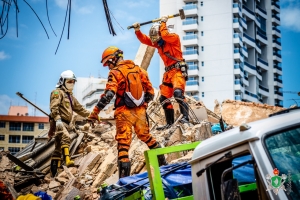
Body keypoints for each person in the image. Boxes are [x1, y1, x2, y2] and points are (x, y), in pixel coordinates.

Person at [89, 46, 167, 178]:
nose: (108, 66)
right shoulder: (139, 70)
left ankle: (124, 183)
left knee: (123, 147)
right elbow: (150, 92)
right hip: (140, 113)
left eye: (108, 63)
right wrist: (142, 106)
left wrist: (95, 112)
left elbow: (109, 95)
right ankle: (165, 167)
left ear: (113, 59)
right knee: (147, 138)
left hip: (124, 113)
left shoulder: (115, 73)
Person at [132, 16, 190, 130]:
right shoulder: (159, 44)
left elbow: (165, 35)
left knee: (178, 94)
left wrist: (163, 22)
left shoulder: (174, 38)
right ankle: (169, 123)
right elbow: (145, 40)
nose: (155, 41)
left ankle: (186, 118)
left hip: (178, 71)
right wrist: (137, 31)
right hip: (168, 73)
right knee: (164, 99)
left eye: (156, 38)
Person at [49, 70, 100, 177]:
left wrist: (92, 115)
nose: (71, 83)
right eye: (69, 81)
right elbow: (54, 108)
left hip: (67, 123)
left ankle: (53, 172)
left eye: (73, 81)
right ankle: (67, 160)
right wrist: (57, 120)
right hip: (59, 122)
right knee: (66, 137)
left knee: (58, 148)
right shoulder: (57, 93)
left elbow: (80, 109)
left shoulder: (70, 97)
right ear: (62, 81)